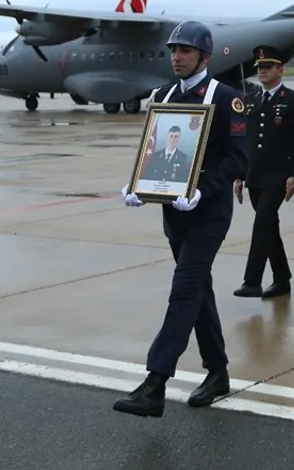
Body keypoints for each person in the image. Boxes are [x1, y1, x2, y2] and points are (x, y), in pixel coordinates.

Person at [113, 20, 249, 418]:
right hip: (174, 213)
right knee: (199, 291)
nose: (176, 56)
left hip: (208, 211)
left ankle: (155, 383)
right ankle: (218, 372)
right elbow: (156, 150)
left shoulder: (227, 98)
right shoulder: (163, 95)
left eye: (185, 51)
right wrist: (139, 184)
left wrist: (204, 189)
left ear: (204, 56)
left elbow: (239, 158)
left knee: (185, 288)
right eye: (174, 50)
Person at [232, 45, 294, 300]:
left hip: (279, 175)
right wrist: (240, 174)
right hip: (255, 175)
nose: (262, 72)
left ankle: (252, 280)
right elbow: (246, 141)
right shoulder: (250, 101)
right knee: (269, 227)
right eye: (260, 68)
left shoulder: (293, 99)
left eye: (267, 67)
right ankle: (282, 278)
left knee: (262, 222)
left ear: (280, 69)